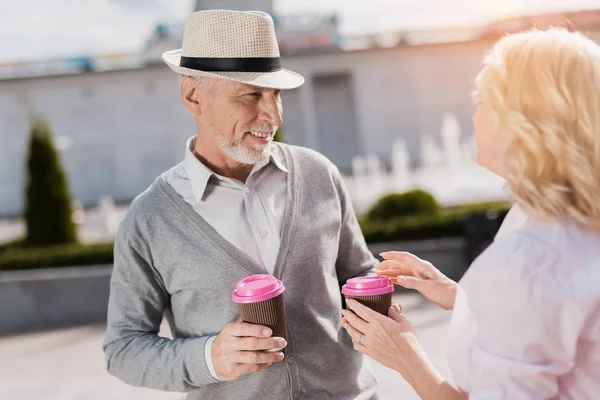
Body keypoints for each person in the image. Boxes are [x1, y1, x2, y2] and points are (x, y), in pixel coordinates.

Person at [103, 10, 379, 400]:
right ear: (193, 95)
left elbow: (359, 273)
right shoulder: (150, 220)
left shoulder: (319, 174)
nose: (274, 115)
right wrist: (209, 357)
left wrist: (382, 304)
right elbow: (123, 349)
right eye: (252, 95)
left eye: (276, 94)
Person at [342, 27, 600, 399]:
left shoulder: (527, 261)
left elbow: (539, 289)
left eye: (483, 102)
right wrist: (461, 295)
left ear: (523, 125)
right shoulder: (554, 221)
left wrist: (406, 357)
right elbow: (550, 313)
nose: (474, 117)